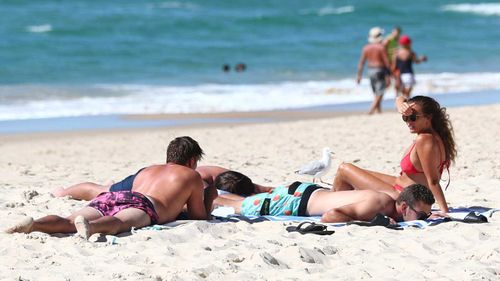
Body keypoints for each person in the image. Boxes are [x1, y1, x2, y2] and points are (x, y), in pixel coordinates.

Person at [5, 136, 213, 239]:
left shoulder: (148, 169)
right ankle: (92, 227)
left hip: (119, 196)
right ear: (192, 160)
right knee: (120, 222)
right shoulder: (192, 175)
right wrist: (209, 198)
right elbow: (198, 217)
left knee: (69, 221)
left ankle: (34, 224)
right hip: (146, 205)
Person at [332, 95, 456, 213]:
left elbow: (433, 181)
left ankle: (328, 203)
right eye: (405, 117)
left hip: (402, 195)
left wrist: (445, 211)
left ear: (428, 118)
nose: (408, 122)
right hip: (400, 185)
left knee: (344, 169)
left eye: (413, 118)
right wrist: (401, 105)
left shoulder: (424, 140)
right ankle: (336, 203)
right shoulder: (437, 136)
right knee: (356, 173)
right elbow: (399, 97)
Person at [214, 182, 435, 223]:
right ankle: (206, 196)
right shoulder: (379, 205)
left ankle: (213, 193)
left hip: (307, 192)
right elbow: (331, 216)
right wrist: (378, 222)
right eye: (422, 215)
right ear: (404, 207)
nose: (423, 218)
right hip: (294, 202)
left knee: (244, 201)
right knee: (235, 206)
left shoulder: (390, 199)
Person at [52, 165, 271, 201]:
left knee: (108, 187)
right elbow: (223, 201)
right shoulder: (202, 179)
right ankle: (62, 192)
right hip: (147, 178)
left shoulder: (228, 177)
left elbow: (257, 188)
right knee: (102, 191)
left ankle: (111, 182)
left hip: (156, 176)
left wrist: (267, 190)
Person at [356, 27, 391, 115]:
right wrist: (389, 75)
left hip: (370, 70)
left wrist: (359, 75)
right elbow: (386, 62)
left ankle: (379, 110)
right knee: (380, 92)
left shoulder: (366, 48)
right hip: (380, 70)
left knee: (376, 91)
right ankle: (371, 110)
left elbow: (361, 63)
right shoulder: (381, 48)